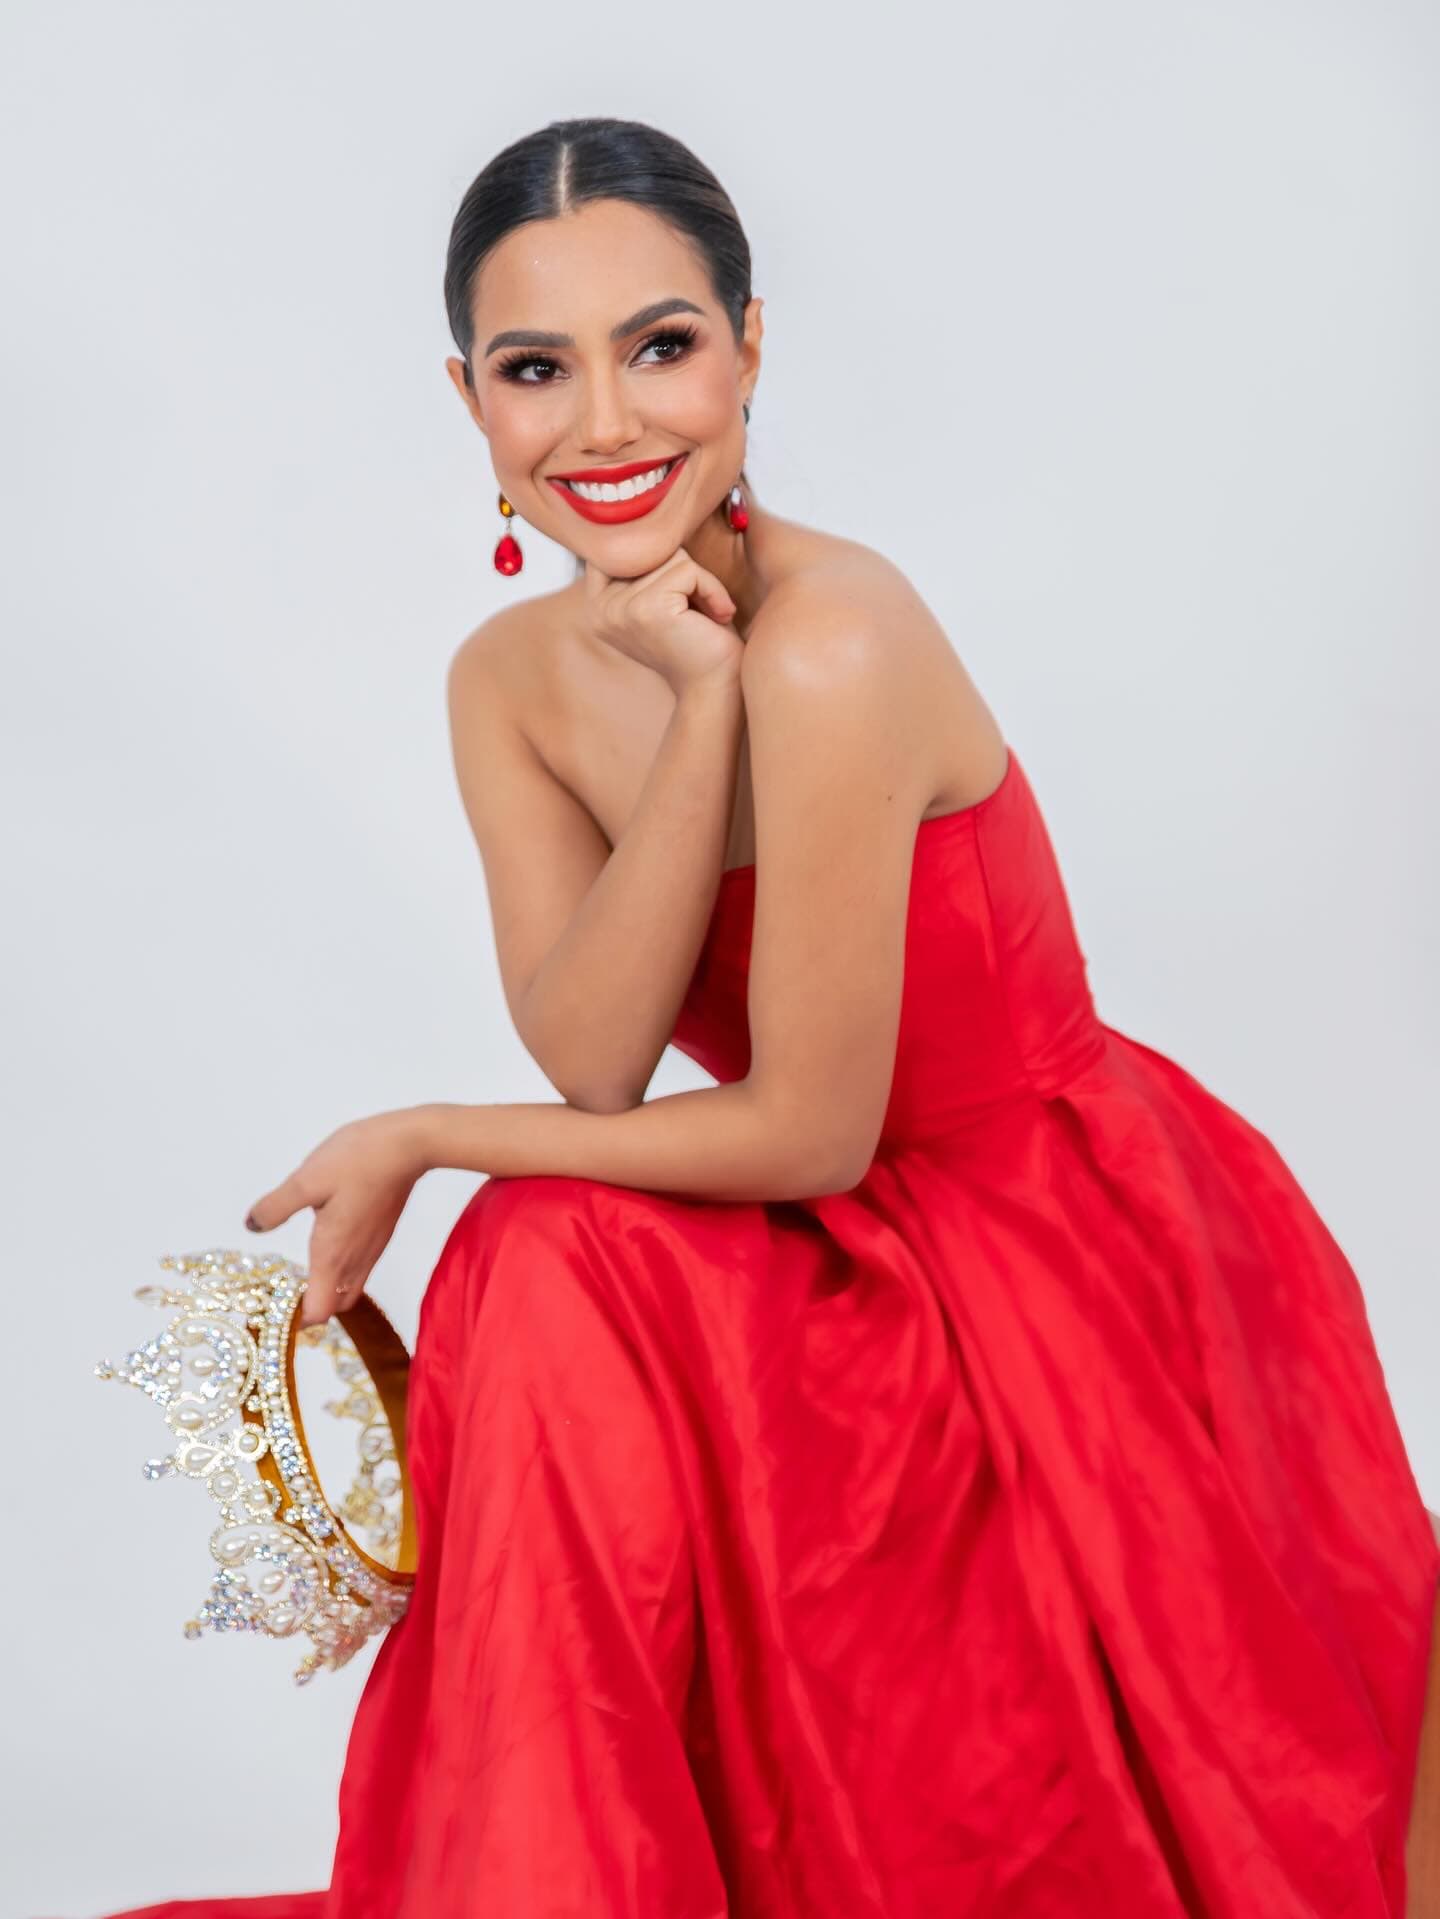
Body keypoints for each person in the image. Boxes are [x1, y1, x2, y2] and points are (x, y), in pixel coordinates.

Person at [68, 115, 1439, 1919]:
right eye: (535, 370)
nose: (605, 424)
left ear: (750, 348)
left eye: (660, 347)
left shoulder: (839, 639)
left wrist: (416, 1133)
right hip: (826, 1239)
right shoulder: (509, 680)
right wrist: (694, 707)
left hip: (1042, 1240)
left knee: (532, 1234)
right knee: (544, 1252)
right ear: (470, 401)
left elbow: (813, 1125)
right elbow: (595, 1062)